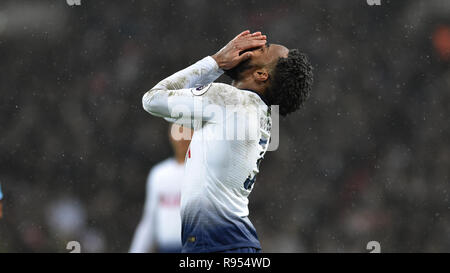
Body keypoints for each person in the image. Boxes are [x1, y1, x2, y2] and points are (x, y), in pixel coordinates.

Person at [142, 30, 313, 253]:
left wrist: (216, 61)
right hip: (230, 244)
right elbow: (170, 112)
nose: (255, 47)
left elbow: (153, 99)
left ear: (262, 74)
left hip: (216, 245)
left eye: (264, 49)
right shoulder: (255, 114)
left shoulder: (230, 100)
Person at [129, 124, 192, 253]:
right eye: (178, 132)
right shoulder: (159, 175)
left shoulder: (208, 173)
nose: (182, 138)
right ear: (170, 135)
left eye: (187, 131)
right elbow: (150, 222)